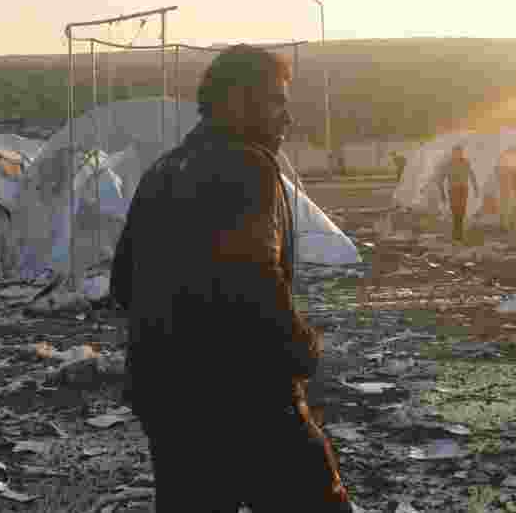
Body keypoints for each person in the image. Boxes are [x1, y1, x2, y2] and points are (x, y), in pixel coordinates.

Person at [109, 44, 353, 512]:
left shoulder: (161, 172)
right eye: (276, 101)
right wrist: (303, 348)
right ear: (237, 102)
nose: (286, 117)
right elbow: (253, 279)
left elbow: (123, 285)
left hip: (166, 397)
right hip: (247, 399)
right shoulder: (247, 165)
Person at [432, 144, 479, 242]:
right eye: (456, 152)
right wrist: (442, 193)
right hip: (453, 190)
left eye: (460, 152)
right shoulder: (448, 164)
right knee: (455, 212)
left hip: (463, 189)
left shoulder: (466, 162)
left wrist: (475, 188)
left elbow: (471, 175)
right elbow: (440, 179)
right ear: (453, 153)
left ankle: (459, 234)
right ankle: (456, 235)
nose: (458, 154)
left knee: (461, 212)